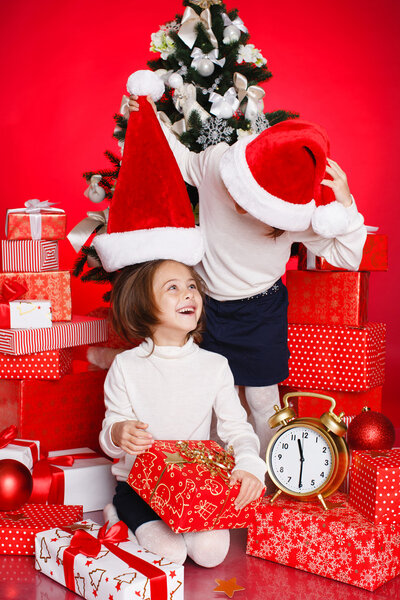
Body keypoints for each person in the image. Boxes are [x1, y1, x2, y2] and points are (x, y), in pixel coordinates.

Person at [128, 90, 367, 461]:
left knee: (262, 400)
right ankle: (210, 472)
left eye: (254, 205)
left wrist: (347, 208)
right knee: (204, 396)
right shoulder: (217, 162)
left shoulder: (295, 214)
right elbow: (181, 160)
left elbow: (348, 256)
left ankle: (268, 477)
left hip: (259, 311)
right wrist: (147, 118)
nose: (240, 205)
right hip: (206, 307)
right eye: (240, 192)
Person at [99, 258, 266, 567]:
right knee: (171, 555)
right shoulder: (127, 366)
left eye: (191, 286)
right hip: (141, 489)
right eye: (172, 288)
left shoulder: (215, 366)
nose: (188, 294)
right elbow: (110, 431)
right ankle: (117, 512)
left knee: (211, 555)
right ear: (144, 305)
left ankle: (146, 529)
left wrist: (250, 466)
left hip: (194, 489)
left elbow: (238, 429)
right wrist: (118, 432)